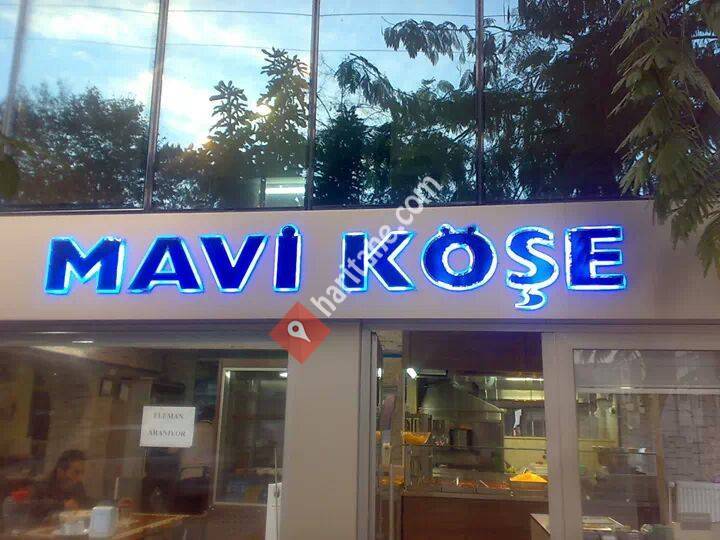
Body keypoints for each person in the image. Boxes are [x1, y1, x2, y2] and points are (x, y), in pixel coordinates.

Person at [30, 450, 93, 522]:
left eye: (82, 472)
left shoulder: (77, 485)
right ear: (60, 471)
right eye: (76, 472)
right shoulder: (41, 486)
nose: (80, 478)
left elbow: (84, 503)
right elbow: (33, 508)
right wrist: (62, 505)